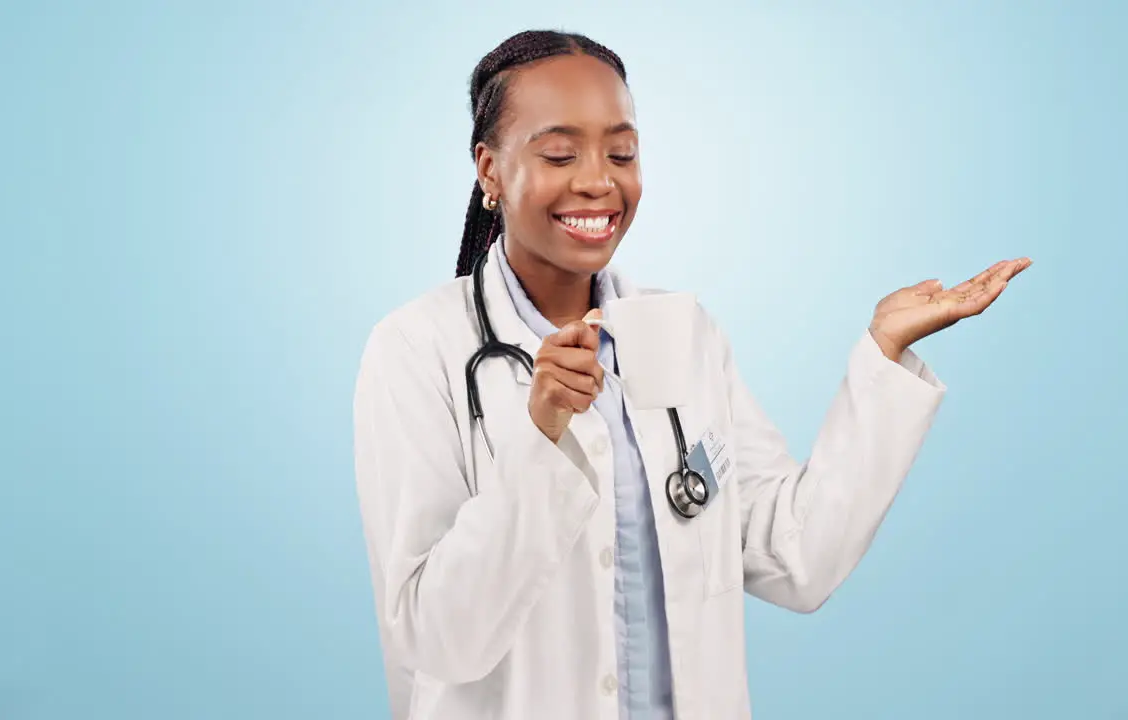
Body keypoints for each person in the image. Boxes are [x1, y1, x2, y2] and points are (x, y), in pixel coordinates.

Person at [353, 29, 1030, 720]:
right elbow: (434, 642)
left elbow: (797, 558)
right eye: (560, 153)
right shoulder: (417, 350)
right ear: (490, 169)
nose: (598, 179)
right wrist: (540, 440)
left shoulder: (683, 334)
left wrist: (883, 355)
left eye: (622, 152)